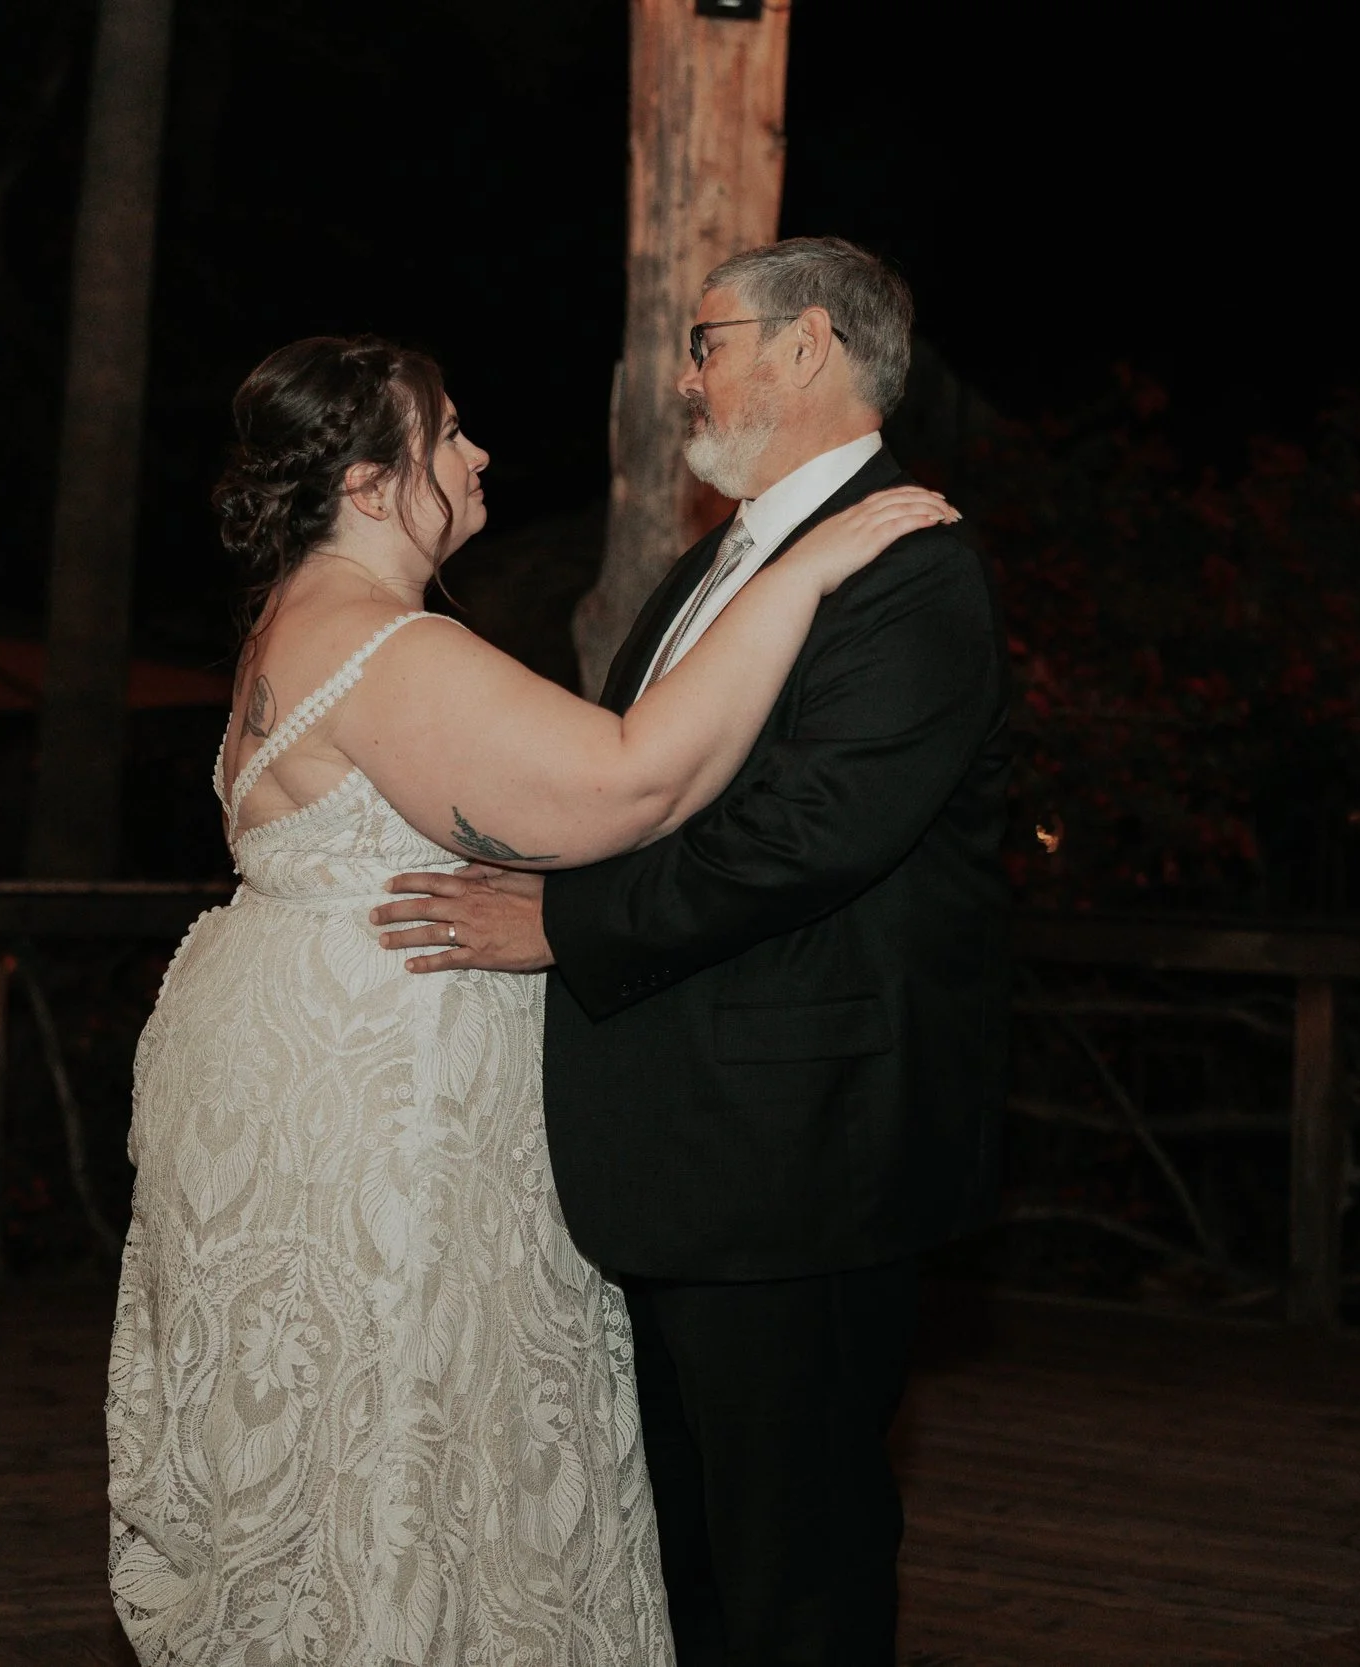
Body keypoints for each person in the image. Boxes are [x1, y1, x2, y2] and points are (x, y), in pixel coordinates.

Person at [106, 332, 955, 1665]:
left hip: (290, 1064)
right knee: (406, 1447)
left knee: (345, 1441)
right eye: (446, 433)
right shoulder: (384, 641)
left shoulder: (295, 616)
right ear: (379, 484)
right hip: (384, 1109)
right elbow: (629, 784)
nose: (477, 450)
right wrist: (813, 570)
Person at [372, 238, 1010, 1663]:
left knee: (799, 1562)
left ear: (807, 349)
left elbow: (810, 835)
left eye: (707, 336)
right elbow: (637, 791)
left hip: (802, 1151)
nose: (682, 372)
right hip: (681, 1154)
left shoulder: (912, 568)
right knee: (683, 1563)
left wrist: (558, 921)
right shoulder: (707, 566)